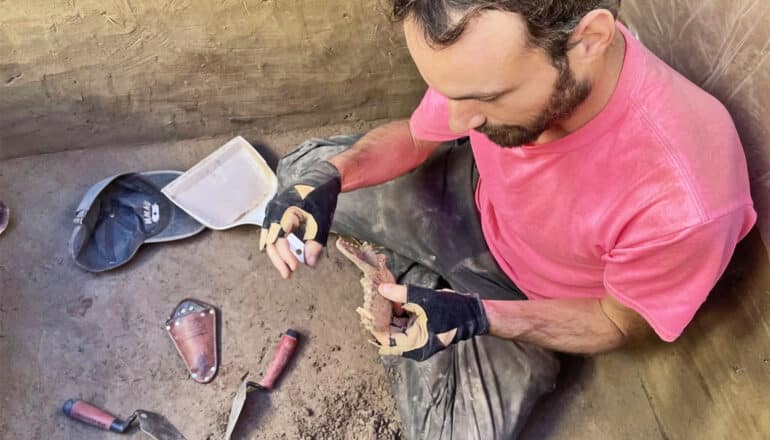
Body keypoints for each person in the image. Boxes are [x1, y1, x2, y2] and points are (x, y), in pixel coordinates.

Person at [259, 1, 756, 438]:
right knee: (299, 176)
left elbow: (616, 321)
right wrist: (326, 180)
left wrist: (478, 317)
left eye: (486, 99)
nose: (455, 123)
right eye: (446, 91)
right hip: (467, 198)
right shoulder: (484, 59)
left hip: (525, 303)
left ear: (589, 40)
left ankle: (418, 286)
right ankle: (414, 285)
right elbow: (416, 139)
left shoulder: (685, 199)